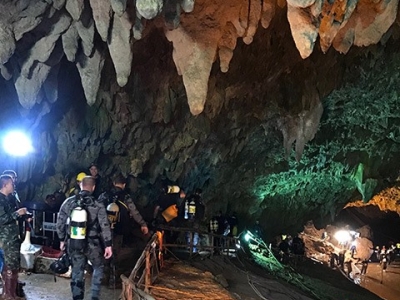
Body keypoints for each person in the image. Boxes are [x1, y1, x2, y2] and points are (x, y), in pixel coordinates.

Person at [56, 176, 112, 300]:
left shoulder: (69, 202)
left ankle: (77, 297)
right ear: (93, 187)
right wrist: (108, 245)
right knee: (98, 267)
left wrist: (61, 240)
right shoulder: (98, 204)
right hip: (93, 244)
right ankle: (94, 296)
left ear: (80, 185)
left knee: (77, 271)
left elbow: (60, 222)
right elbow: (105, 225)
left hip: (74, 242)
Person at [0, 174, 30, 300]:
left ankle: (11, 293)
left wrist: (24, 216)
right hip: (5, 238)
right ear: (5, 185)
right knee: (10, 265)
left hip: (12, 237)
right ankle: (8, 295)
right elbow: (1, 219)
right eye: (11, 184)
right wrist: (17, 213)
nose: (13, 186)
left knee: (12, 265)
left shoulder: (9, 199)